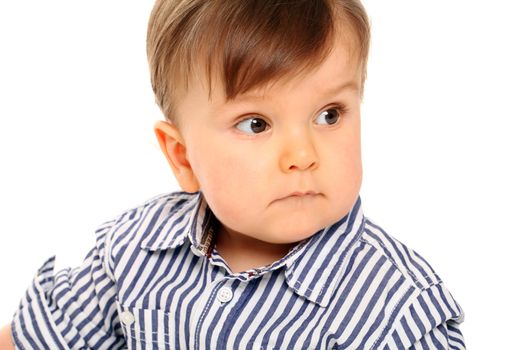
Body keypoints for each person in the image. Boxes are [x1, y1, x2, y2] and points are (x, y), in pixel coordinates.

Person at [0, 0, 465, 349]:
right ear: (182, 158)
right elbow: (37, 338)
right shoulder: (134, 248)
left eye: (329, 114)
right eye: (255, 124)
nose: (302, 154)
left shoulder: (393, 309)